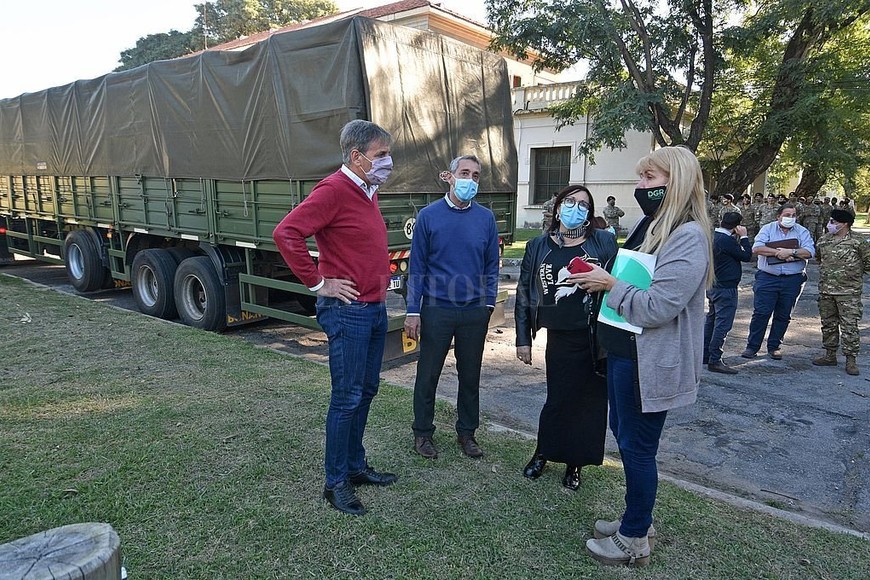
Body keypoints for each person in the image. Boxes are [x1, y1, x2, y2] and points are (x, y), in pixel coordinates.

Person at [572, 146, 712, 567]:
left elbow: (657, 307)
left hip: (647, 363)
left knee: (637, 449)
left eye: (649, 179)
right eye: (641, 178)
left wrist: (608, 284)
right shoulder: (652, 226)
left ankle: (634, 538)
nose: (640, 187)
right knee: (628, 439)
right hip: (625, 354)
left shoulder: (687, 236)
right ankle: (637, 518)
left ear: (678, 181)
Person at [273, 119, 397, 516]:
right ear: (357, 157)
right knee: (346, 397)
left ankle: (355, 466)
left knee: (366, 390)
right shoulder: (334, 190)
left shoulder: (367, 190)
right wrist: (319, 283)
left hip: (373, 306)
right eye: (381, 155)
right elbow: (286, 233)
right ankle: (336, 482)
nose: (387, 162)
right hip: (349, 311)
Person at [515, 184, 618, 490]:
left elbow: (619, 282)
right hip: (559, 335)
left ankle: (575, 464)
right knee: (557, 400)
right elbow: (524, 292)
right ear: (558, 206)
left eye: (583, 205)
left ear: (589, 213)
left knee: (588, 403)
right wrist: (523, 337)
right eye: (570, 202)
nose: (576, 208)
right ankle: (543, 452)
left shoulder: (604, 243)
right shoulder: (538, 246)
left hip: (594, 337)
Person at [405, 155, 499, 460]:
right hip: (437, 309)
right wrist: (412, 310)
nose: (469, 180)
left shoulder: (485, 219)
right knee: (428, 373)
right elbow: (416, 267)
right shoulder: (429, 216)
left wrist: (487, 303)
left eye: (475, 175)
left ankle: (467, 432)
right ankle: (423, 433)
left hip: (473, 311)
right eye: (464, 173)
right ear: (450, 176)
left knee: (470, 374)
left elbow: (491, 266)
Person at [740, 204, 815, 360]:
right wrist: (779, 253)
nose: (790, 218)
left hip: (793, 280)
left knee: (783, 315)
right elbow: (757, 248)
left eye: (793, 215)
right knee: (761, 313)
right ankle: (752, 347)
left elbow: (809, 252)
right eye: (787, 214)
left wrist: (792, 252)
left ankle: (774, 346)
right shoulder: (768, 229)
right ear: (778, 216)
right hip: (768, 278)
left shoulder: (802, 231)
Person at [812, 209, 870, 376]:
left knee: (850, 326)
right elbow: (819, 259)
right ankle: (830, 355)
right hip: (826, 290)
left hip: (849, 292)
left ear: (844, 223)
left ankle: (851, 360)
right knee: (828, 324)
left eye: (834, 221)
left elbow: (867, 263)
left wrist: (851, 274)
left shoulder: (858, 242)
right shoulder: (824, 240)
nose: (830, 224)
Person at [703, 212, 752, 374]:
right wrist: (744, 237)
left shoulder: (714, 236)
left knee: (712, 319)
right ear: (736, 227)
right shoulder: (726, 240)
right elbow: (746, 256)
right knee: (723, 323)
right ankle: (715, 359)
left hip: (713, 284)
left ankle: (705, 353)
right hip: (725, 287)